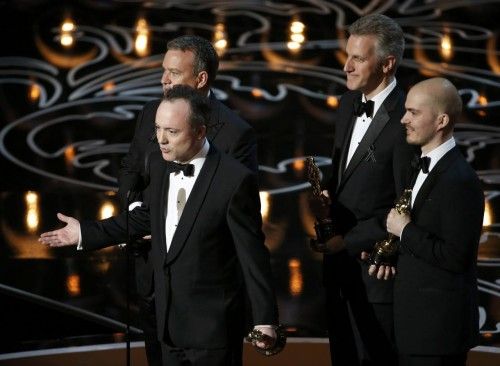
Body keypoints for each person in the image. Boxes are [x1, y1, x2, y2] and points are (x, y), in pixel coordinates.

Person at [40, 85, 278, 366]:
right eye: (158, 129)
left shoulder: (234, 179)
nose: (161, 140)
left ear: (200, 132)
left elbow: (252, 255)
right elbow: (145, 217)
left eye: (172, 132)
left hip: (213, 331)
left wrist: (265, 319)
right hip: (167, 328)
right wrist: (86, 232)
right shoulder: (159, 164)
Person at [118, 35, 258, 365]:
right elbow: (131, 168)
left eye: (174, 73)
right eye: (163, 71)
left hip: (204, 291)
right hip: (153, 272)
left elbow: (240, 215)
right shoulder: (151, 112)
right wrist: (136, 209)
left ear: (201, 78)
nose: (164, 80)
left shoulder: (236, 133)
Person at [309, 14, 414, 366]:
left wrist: (350, 242)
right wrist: (328, 197)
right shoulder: (346, 105)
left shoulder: (407, 119)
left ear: (387, 64)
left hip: (375, 273)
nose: (346, 67)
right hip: (338, 270)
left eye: (358, 58)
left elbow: (407, 200)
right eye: (347, 55)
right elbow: (349, 177)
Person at [378, 77, 484, 366]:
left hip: (438, 332)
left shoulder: (459, 180)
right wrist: (390, 253)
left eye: (413, 112)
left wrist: (405, 230)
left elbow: (454, 256)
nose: (403, 119)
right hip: (415, 327)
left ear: (441, 121)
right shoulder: (419, 164)